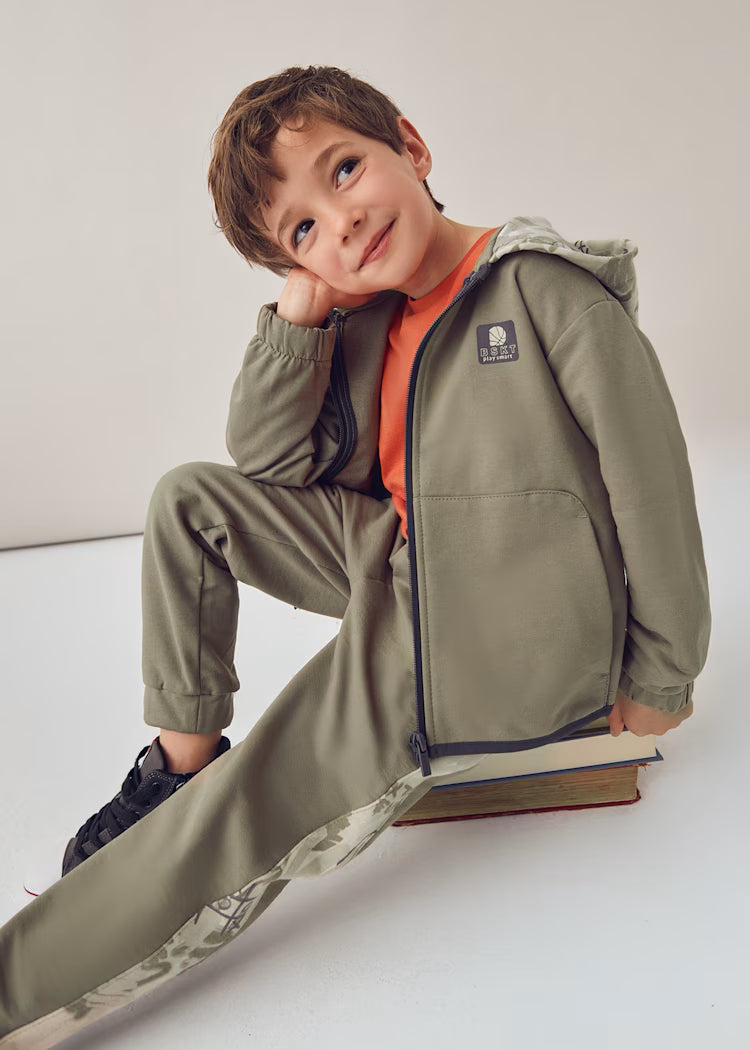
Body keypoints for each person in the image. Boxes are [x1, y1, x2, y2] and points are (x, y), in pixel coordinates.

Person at [0, 65, 710, 1047]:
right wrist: (305, 309)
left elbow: (653, 488)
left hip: (483, 635)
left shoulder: (545, 291)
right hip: (400, 561)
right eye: (302, 229)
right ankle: (180, 761)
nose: (341, 221)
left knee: (242, 817)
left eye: (344, 170)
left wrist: (663, 676)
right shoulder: (370, 317)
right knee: (188, 501)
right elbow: (270, 459)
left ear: (410, 145)